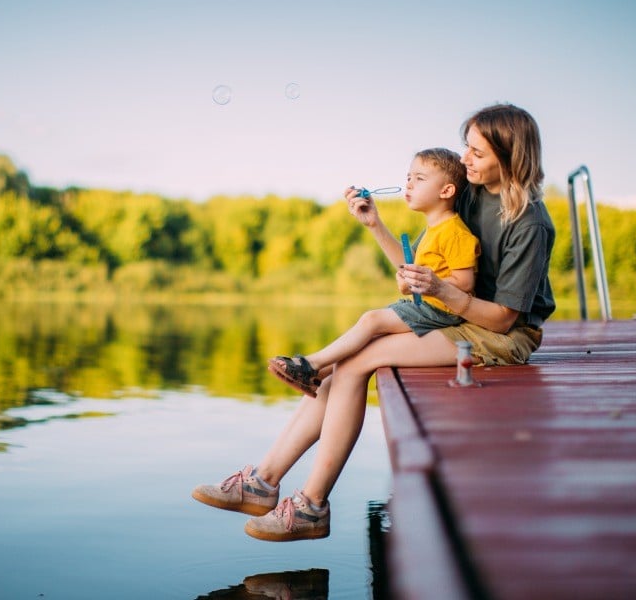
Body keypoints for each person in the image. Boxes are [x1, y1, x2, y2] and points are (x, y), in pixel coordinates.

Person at [191, 103, 555, 542]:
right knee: (340, 366)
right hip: (453, 313)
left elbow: (502, 318)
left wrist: (441, 290)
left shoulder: (529, 222)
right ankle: (262, 483)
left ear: (511, 156)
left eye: (477, 153)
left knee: (355, 363)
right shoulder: (470, 195)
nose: (465, 160)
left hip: (501, 335)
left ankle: (311, 506)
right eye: (466, 147)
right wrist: (375, 225)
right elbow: (415, 270)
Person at [267, 147, 480, 398]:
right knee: (371, 330)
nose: (409, 184)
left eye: (419, 179)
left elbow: (465, 283)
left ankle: (311, 364)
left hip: (442, 312)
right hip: (430, 307)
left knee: (372, 321)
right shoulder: (434, 229)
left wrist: (422, 283)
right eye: (408, 177)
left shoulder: (455, 233)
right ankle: (315, 374)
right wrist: (411, 280)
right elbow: (424, 273)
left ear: (446, 191)